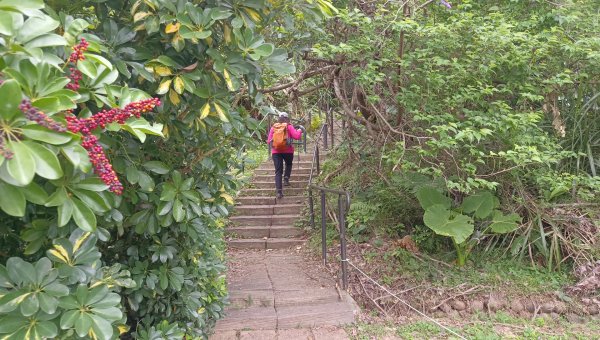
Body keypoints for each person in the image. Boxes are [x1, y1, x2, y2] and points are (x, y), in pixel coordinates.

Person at [267, 112, 303, 199]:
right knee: (289, 164)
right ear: (287, 118)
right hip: (288, 151)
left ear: (279, 118)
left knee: (278, 171)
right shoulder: (289, 126)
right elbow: (296, 136)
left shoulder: (274, 127)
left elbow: (269, 141)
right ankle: (286, 178)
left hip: (276, 152)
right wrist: (300, 130)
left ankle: (279, 192)